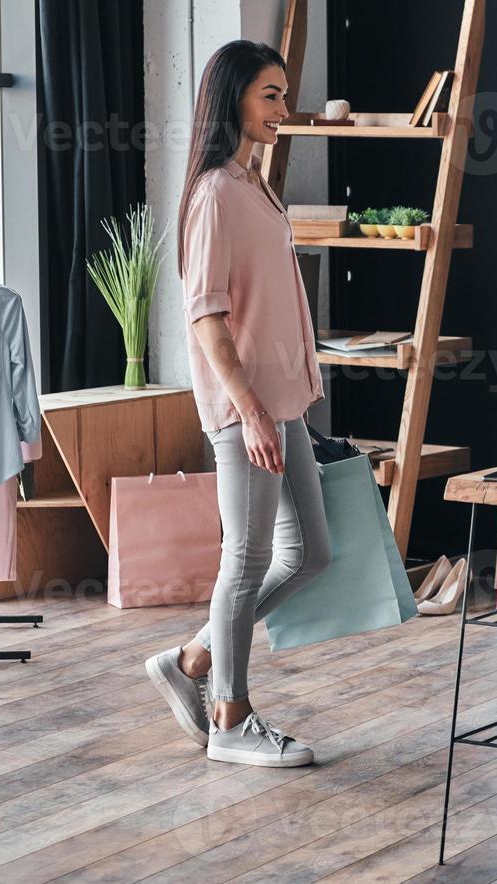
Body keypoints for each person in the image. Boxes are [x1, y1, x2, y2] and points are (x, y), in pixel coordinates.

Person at [144, 40, 331, 769]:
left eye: (284, 94)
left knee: (311, 553)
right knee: (247, 558)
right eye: (269, 95)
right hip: (245, 408)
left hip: (284, 403)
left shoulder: (254, 185)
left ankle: (191, 658)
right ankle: (230, 715)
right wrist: (249, 410)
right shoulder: (217, 194)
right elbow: (207, 317)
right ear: (233, 101)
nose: (283, 107)